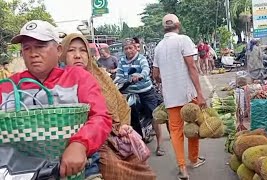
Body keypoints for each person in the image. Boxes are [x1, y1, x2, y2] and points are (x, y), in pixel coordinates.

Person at [0, 20, 113, 178]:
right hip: (21, 172)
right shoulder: (8, 86)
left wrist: (80, 144)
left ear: (59, 50)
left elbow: (101, 116)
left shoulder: (78, 77)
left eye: (40, 46)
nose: (33, 53)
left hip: (76, 168)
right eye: (27, 48)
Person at [60, 33, 156, 180]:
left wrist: (122, 125)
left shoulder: (101, 75)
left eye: (83, 50)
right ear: (62, 54)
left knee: (144, 172)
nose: (78, 55)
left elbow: (120, 102)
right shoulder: (58, 83)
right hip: (88, 145)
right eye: (71, 50)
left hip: (115, 136)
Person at [153, 14, 206, 179]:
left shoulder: (158, 47)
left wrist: (168, 81)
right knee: (193, 127)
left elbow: (155, 75)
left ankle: (182, 168)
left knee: (175, 132)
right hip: (188, 94)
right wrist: (200, 93)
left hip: (171, 97)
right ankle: (194, 159)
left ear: (164, 28)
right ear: (178, 25)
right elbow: (192, 67)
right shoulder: (183, 40)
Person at [115, 38, 165, 156]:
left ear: (135, 48)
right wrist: (118, 80)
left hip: (146, 92)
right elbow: (119, 75)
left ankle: (160, 144)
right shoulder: (122, 61)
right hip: (130, 92)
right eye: (126, 48)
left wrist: (140, 75)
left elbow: (146, 69)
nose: (128, 51)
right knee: (126, 116)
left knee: (154, 116)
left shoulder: (141, 58)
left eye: (130, 48)